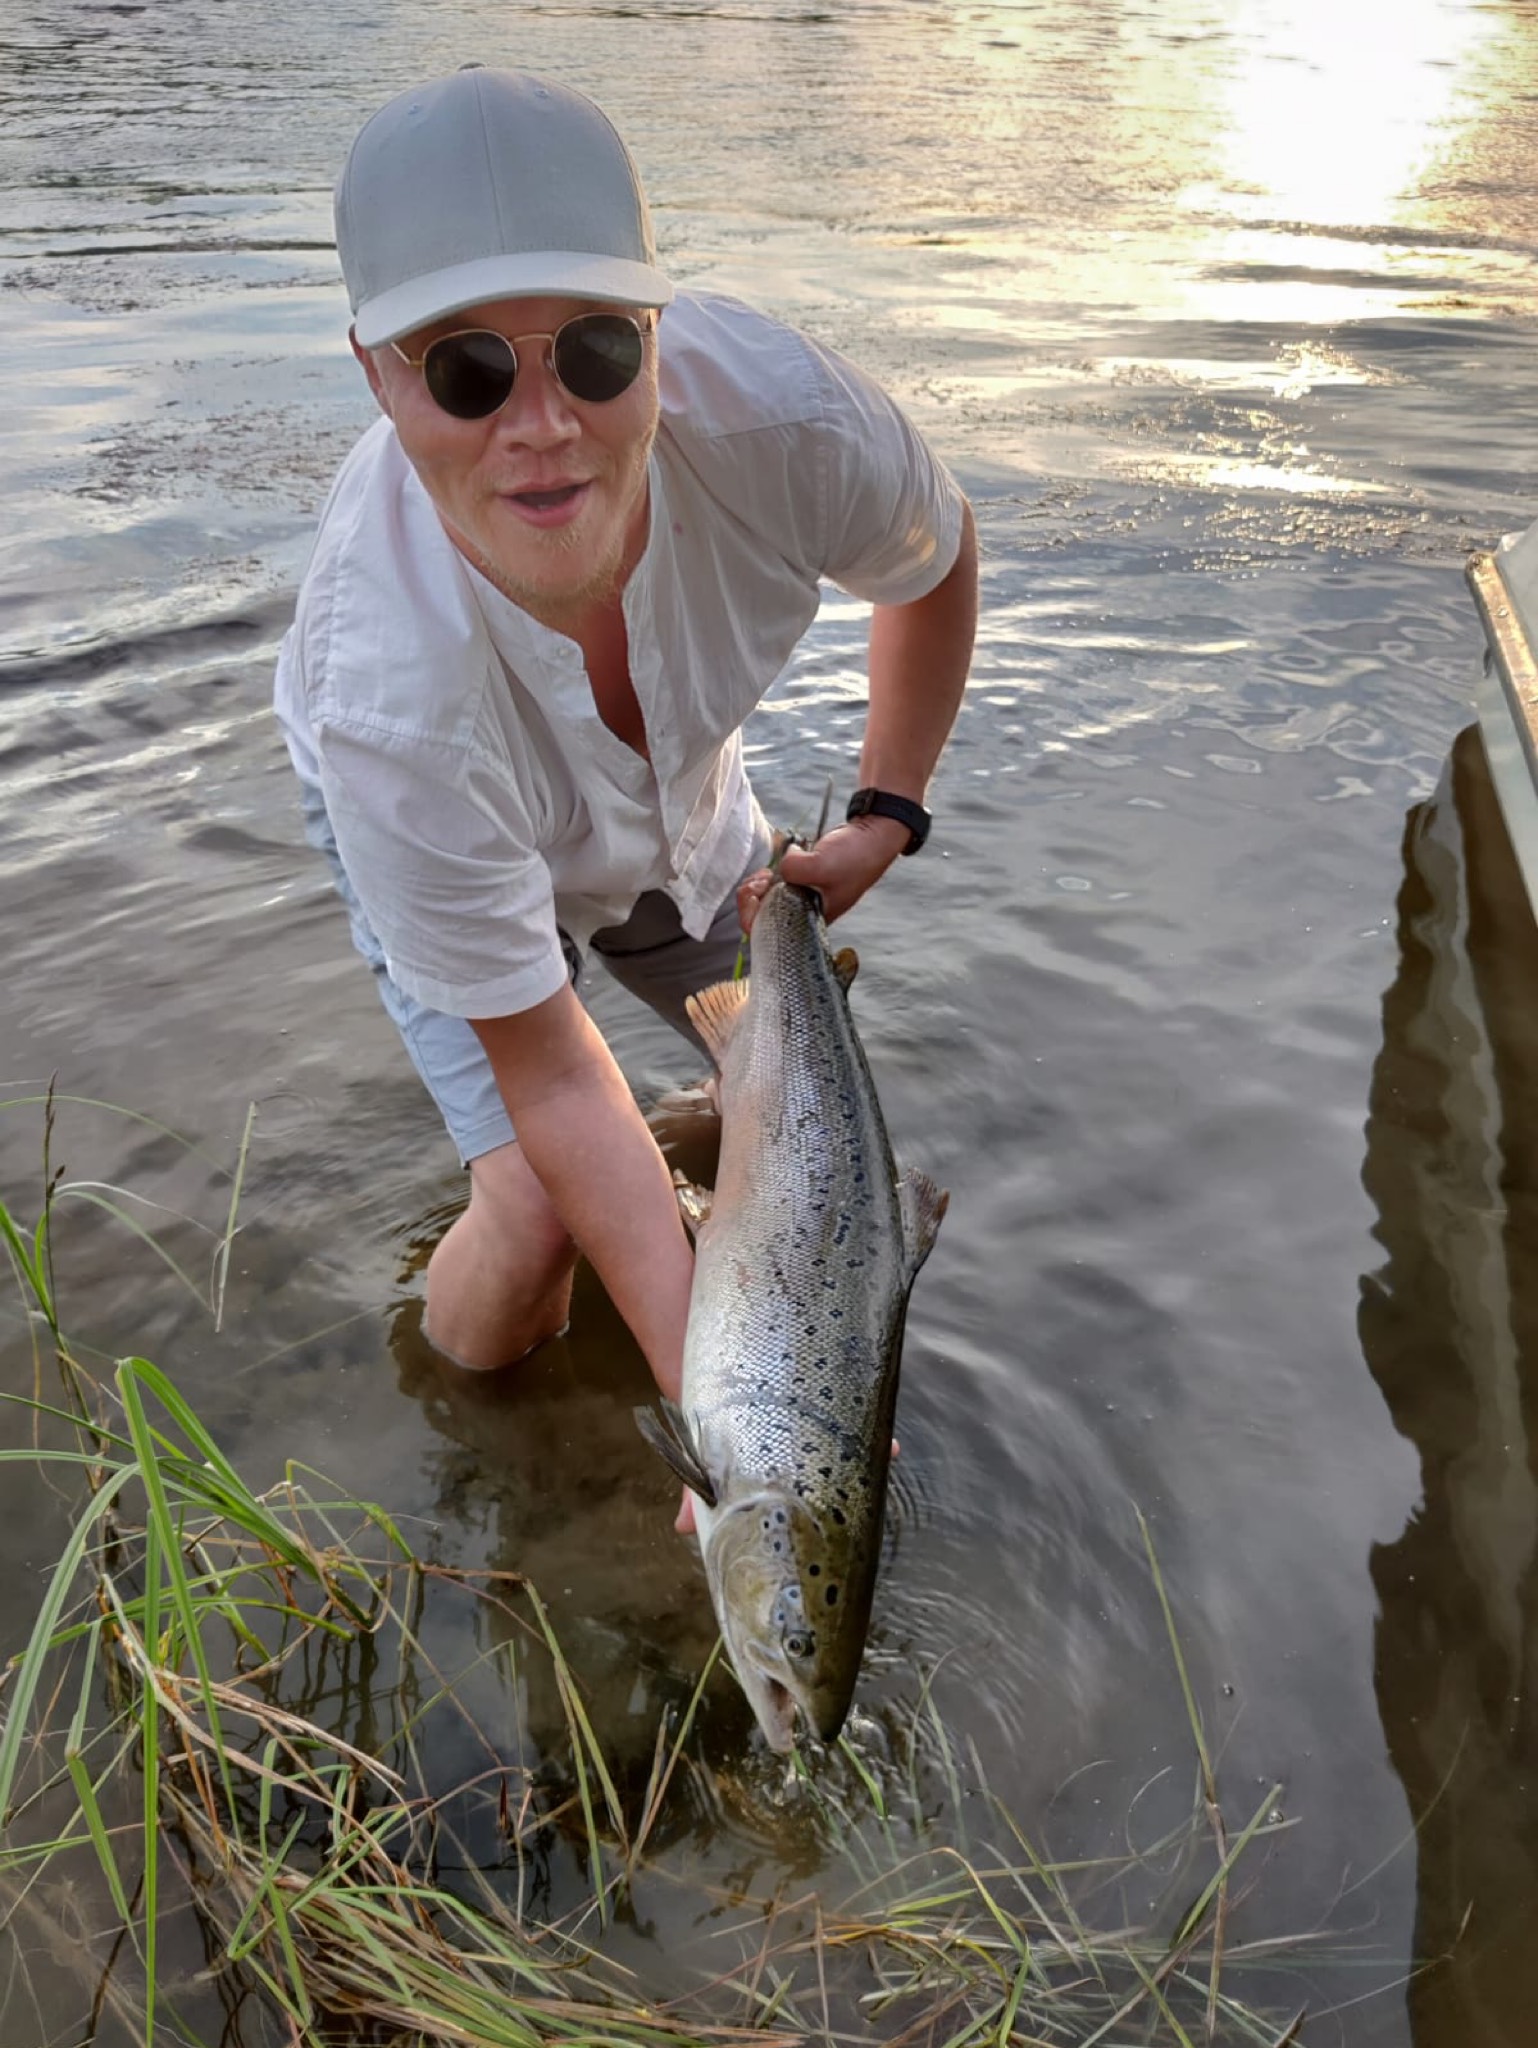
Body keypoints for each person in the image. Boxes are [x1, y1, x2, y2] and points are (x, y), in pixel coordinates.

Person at [273, 65, 978, 1433]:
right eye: (467, 369)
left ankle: (667, 1160)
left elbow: (933, 567)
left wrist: (887, 811)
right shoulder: (385, 705)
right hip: (445, 828)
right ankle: (484, 1444)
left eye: (594, 349)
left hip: (685, 814)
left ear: (656, 334)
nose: (541, 426)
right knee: (535, 1203)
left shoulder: (791, 425)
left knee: (789, 1099)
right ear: (376, 376)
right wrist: (722, 1418)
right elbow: (538, 1063)